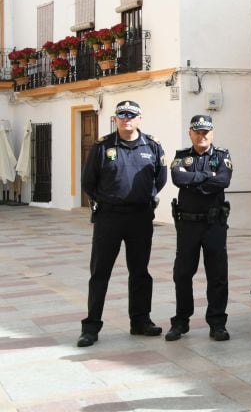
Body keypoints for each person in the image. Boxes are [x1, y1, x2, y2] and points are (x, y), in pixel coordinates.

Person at [77, 100, 167, 347]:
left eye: (131, 115)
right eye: (122, 115)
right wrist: (108, 201)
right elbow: (88, 182)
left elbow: (159, 180)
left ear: (140, 119)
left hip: (140, 217)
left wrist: (141, 198)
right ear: (115, 119)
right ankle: (91, 327)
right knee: (100, 273)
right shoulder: (102, 147)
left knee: (140, 272)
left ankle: (140, 321)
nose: (127, 119)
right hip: (109, 218)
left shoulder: (152, 146)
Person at [165, 115, 233, 342]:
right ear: (190, 133)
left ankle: (217, 324)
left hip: (214, 224)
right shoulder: (181, 157)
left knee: (217, 275)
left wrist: (193, 180)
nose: (202, 136)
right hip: (187, 225)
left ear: (212, 133)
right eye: (197, 132)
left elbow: (223, 181)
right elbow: (177, 177)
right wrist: (207, 178)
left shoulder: (222, 156)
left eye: (206, 132)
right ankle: (181, 322)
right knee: (182, 274)